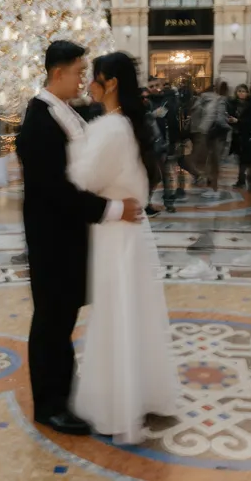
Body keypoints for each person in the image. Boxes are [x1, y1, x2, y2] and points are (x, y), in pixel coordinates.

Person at [15, 40, 142, 436]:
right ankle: (49, 406)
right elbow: (55, 191)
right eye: (77, 72)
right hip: (52, 238)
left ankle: (61, 394)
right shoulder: (39, 121)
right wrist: (112, 209)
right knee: (51, 321)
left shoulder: (64, 112)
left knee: (61, 319)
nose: (83, 79)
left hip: (68, 237)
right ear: (58, 73)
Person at [69, 52, 179, 443]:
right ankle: (142, 391)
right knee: (135, 314)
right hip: (128, 233)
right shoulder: (128, 124)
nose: (87, 85)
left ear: (110, 82)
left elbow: (83, 178)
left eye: (93, 77)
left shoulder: (111, 128)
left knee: (118, 314)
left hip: (116, 234)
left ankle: (118, 403)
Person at [229, 84, 251, 190]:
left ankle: (248, 179)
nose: (241, 93)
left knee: (249, 160)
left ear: (248, 93)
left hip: (249, 135)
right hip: (238, 135)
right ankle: (241, 180)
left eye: (243, 91)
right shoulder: (233, 104)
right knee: (241, 159)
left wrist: (238, 121)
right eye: (239, 91)